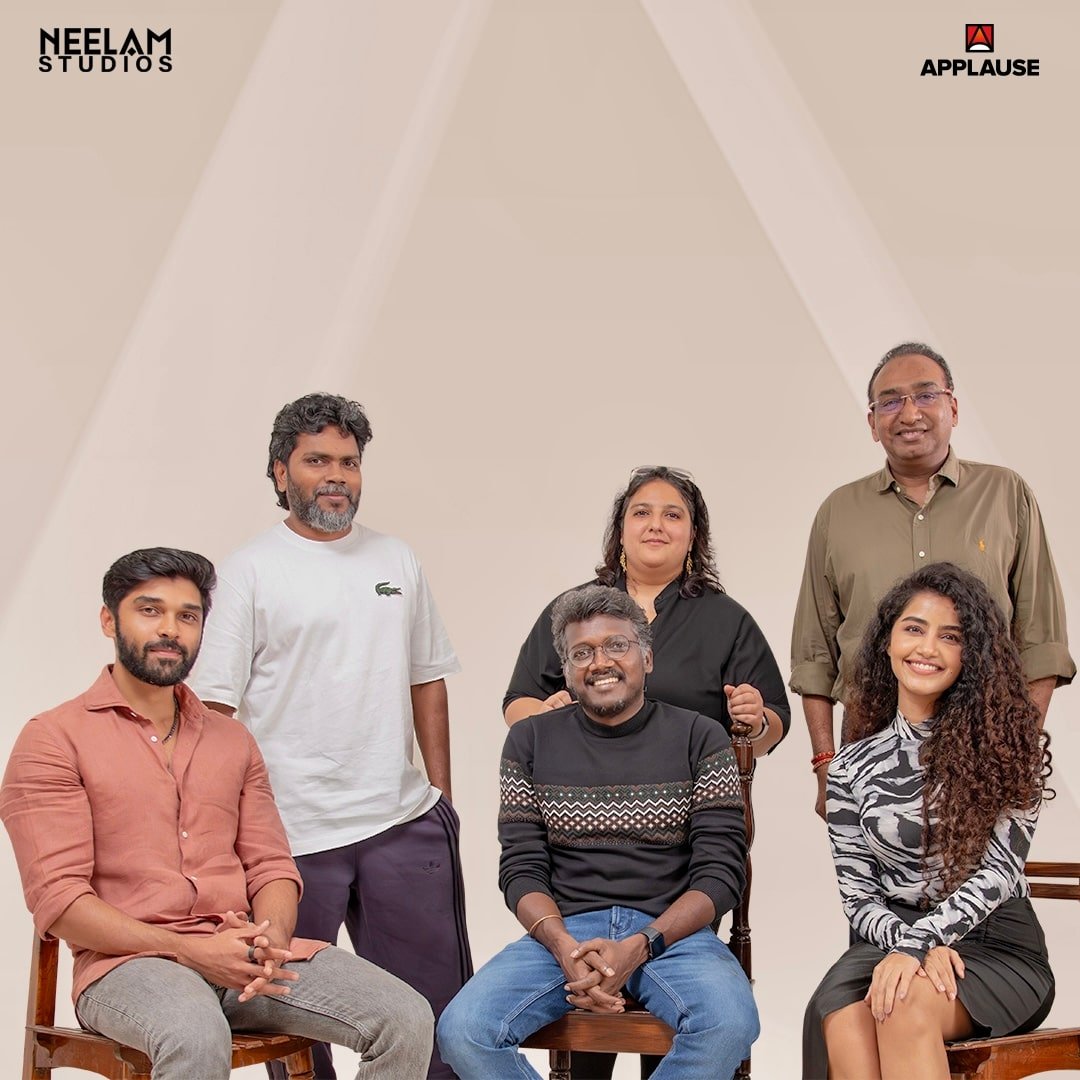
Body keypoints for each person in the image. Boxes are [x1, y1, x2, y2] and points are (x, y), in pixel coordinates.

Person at [0, 548, 433, 1079]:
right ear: (109, 620)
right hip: (127, 967)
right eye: (150, 610)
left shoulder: (232, 740)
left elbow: (271, 866)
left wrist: (269, 941)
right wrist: (190, 950)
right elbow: (60, 901)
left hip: (240, 957)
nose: (170, 629)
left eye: (188, 616)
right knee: (196, 1034)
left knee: (405, 1018)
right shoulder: (53, 739)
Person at [189, 394, 470, 1080]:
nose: (336, 475)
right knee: (292, 1020)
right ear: (281, 471)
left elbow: (427, 678)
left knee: (439, 1021)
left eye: (349, 461)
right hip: (289, 836)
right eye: (317, 461)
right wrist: (227, 831)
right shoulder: (249, 571)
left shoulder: (396, 559)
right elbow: (214, 711)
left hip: (402, 823)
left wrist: (442, 797)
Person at [505, 466, 786, 1079]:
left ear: (693, 535)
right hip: (580, 841)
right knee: (563, 1029)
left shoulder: (725, 620)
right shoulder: (578, 610)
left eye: (672, 514)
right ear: (620, 529)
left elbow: (770, 725)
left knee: (694, 1012)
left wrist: (754, 717)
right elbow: (519, 705)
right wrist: (554, 718)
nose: (656, 524)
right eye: (642, 512)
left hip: (679, 846)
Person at [438, 585, 758, 1078]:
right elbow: (521, 870)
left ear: (647, 658)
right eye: (581, 653)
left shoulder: (700, 736)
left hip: (672, 935)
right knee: (463, 1030)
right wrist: (562, 946)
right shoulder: (529, 740)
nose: (600, 662)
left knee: (729, 1023)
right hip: (565, 933)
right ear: (566, 671)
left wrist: (643, 943)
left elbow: (721, 875)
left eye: (617, 645)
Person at [791, 343, 1074, 818]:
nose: (909, 413)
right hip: (868, 744)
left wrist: (1016, 751)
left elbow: (1042, 641)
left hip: (984, 746)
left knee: (985, 868)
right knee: (870, 871)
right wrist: (826, 764)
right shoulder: (837, 512)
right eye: (890, 401)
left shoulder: (1006, 495)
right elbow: (814, 654)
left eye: (925, 395)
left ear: (953, 408)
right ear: (872, 422)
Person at [802, 562, 1055, 1080]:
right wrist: (910, 944)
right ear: (888, 642)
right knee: (843, 1020)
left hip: (996, 947)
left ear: (971, 655)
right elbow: (858, 896)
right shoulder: (850, 767)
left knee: (902, 1003)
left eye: (951, 636)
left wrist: (924, 944)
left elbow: (999, 875)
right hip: (889, 939)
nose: (927, 648)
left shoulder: (1009, 751)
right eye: (914, 629)